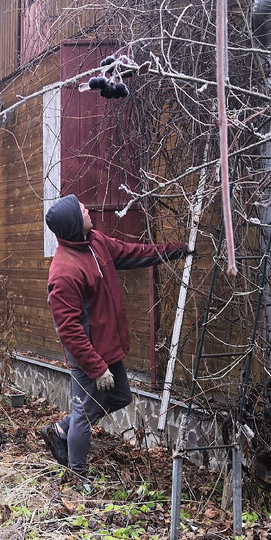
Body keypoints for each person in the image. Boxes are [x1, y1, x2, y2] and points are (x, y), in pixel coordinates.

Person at [41, 193, 189, 492]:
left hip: (106, 346)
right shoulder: (64, 271)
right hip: (87, 354)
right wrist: (96, 368)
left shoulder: (95, 242)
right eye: (81, 208)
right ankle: (78, 476)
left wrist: (177, 251)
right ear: (72, 221)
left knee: (121, 396)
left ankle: (61, 430)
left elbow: (132, 253)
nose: (87, 208)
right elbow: (69, 329)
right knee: (84, 411)